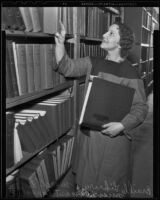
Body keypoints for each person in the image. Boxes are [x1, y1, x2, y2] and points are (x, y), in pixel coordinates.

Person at [54, 21, 148, 197]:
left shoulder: (131, 73)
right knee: (85, 186)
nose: (104, 34)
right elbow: (67, 67)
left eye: (111, 33)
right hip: (89, 140)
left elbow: (141, 108)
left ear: (122, 43)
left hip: (113, 142)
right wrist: (60, 45)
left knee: (107, 187)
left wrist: (122, 126)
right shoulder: (93, 62)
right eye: (107, 31)